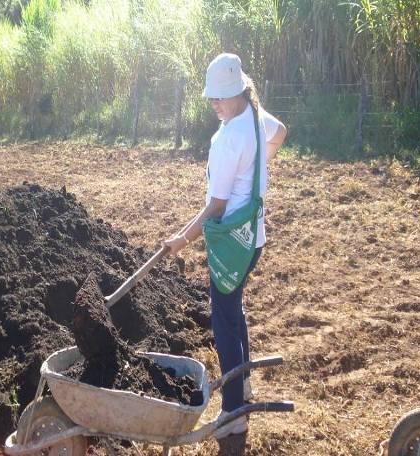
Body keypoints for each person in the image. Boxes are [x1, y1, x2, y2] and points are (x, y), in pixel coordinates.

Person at [163, 53, 286, 439]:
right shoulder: (254, 114)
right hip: (254, 238)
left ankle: (234, 412)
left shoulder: (227, 139)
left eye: (221, 96)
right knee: (234, 313)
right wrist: (257, 172)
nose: (215, 103)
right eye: (211, 97)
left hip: (233, 243)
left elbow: (215, 207)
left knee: (222, 322)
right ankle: (243, 386)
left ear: (238, 91)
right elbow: (279, 131)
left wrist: (182, 238)